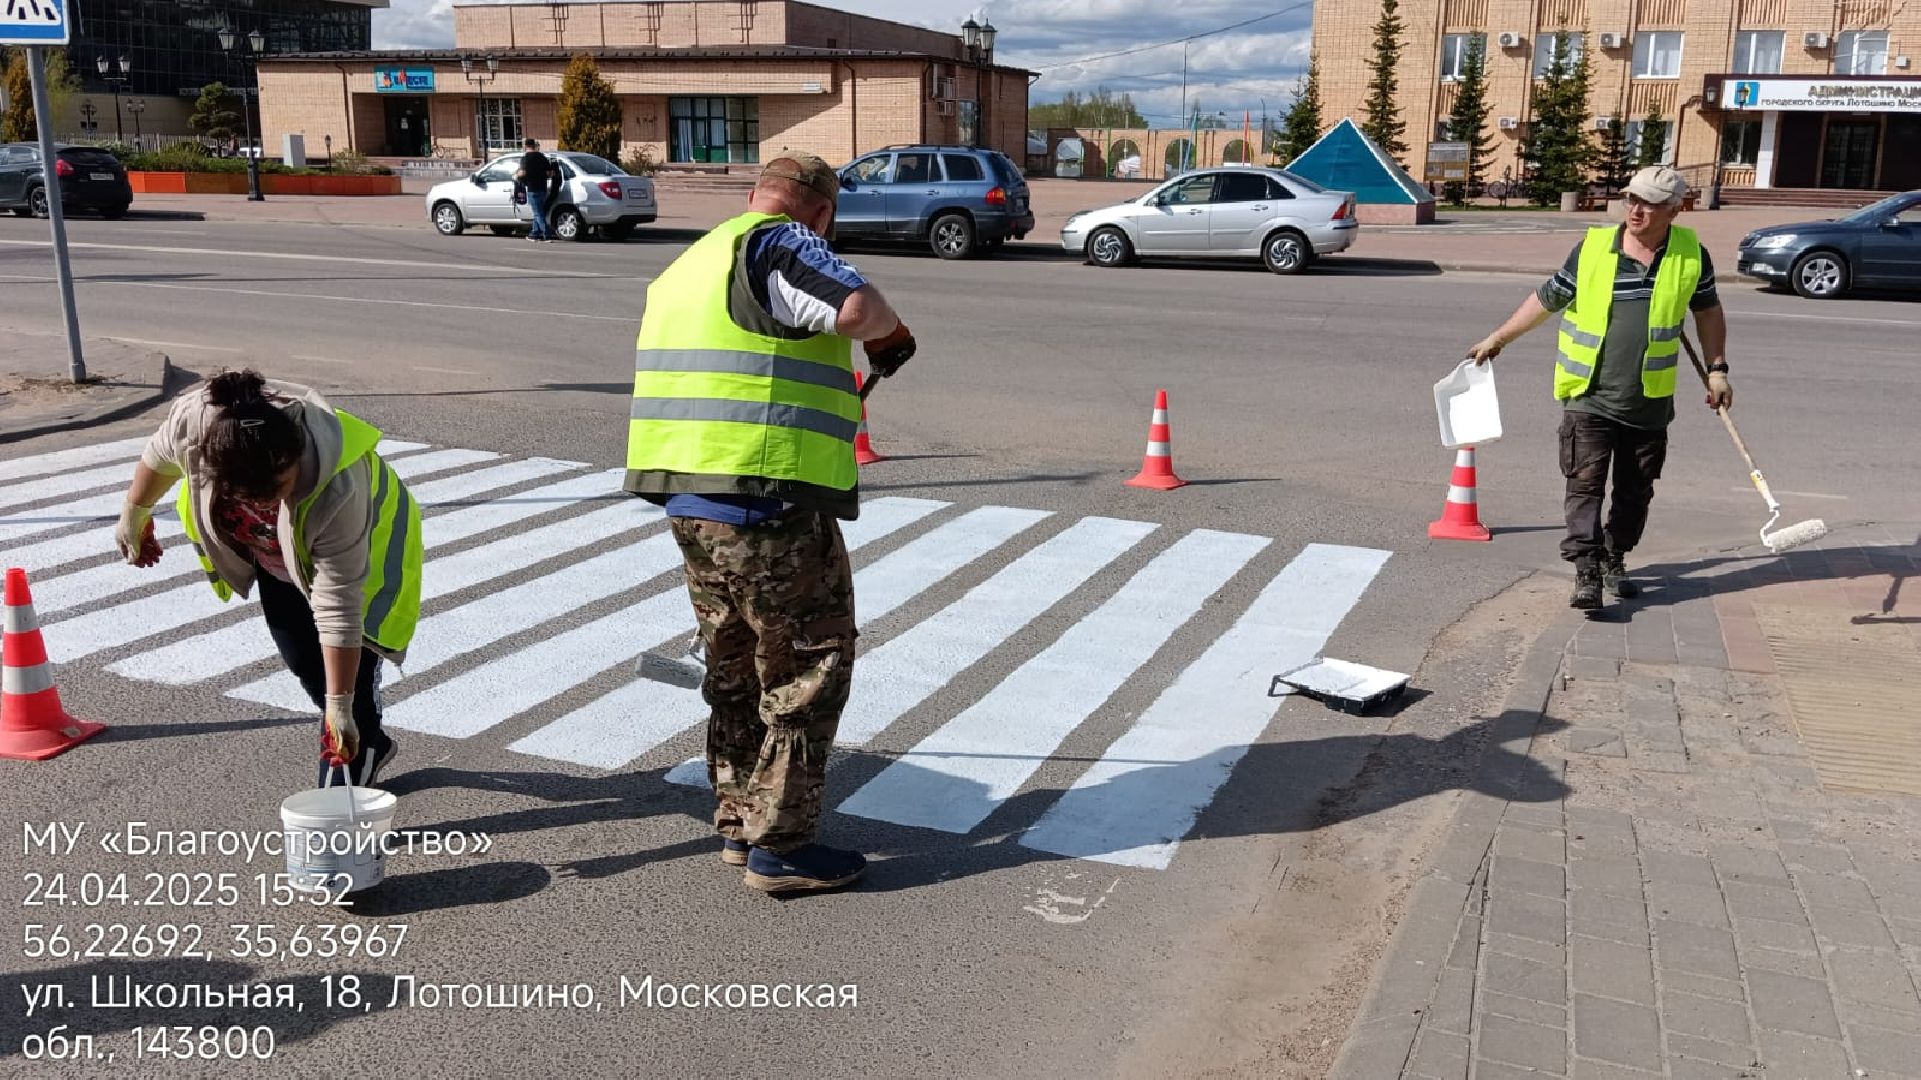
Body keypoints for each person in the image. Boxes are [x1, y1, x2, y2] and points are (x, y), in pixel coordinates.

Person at [624, 153, 916, 894]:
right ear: (821, 212)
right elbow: (854, 308)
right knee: (808, 669)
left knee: (733, 666)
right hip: (767, 500)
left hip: (691, 500)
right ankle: (780, 847)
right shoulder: (782, 240)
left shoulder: (693, 260)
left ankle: (738, 820)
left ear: (755, 193)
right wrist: (888, 334)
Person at [114, 371, 424, 788]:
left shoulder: (338, 488)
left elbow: (339, 605)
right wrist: (135, 513)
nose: (263, 503)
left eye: (275, 490)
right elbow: (159, 454)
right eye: (247, 497)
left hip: (366, 551)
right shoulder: (197, 427)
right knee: (304, 662)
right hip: (276, 559)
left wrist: (340, 706)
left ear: (294, 458)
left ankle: (361, 747)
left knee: (349, 678)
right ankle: (359, 729)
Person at [1467, 166, 1734, 610]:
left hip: (1648, 400)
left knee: (1635, 493)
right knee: (1584, 486)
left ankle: (1614, 555)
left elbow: (1707, 311)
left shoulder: (1691, 256)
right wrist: (1499, 338)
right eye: (1632, 199)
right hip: (1589, 393)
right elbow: (1548, 298)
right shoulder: (1592, 249)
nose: (1636, 210)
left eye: (1649, 204)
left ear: (1674, 210)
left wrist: (1717, 369)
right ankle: (1586, 571)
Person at [516, 138, 563, 242]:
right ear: (534, 145)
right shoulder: (542, 157)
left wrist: (517, 174)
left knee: (538, 213)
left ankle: (547, 234)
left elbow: (523, 173)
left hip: (532, 188)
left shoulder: (525, 158)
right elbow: (550, 173)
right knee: (538, 212)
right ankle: (534, 233)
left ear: (525, 146)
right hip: (543, 188)